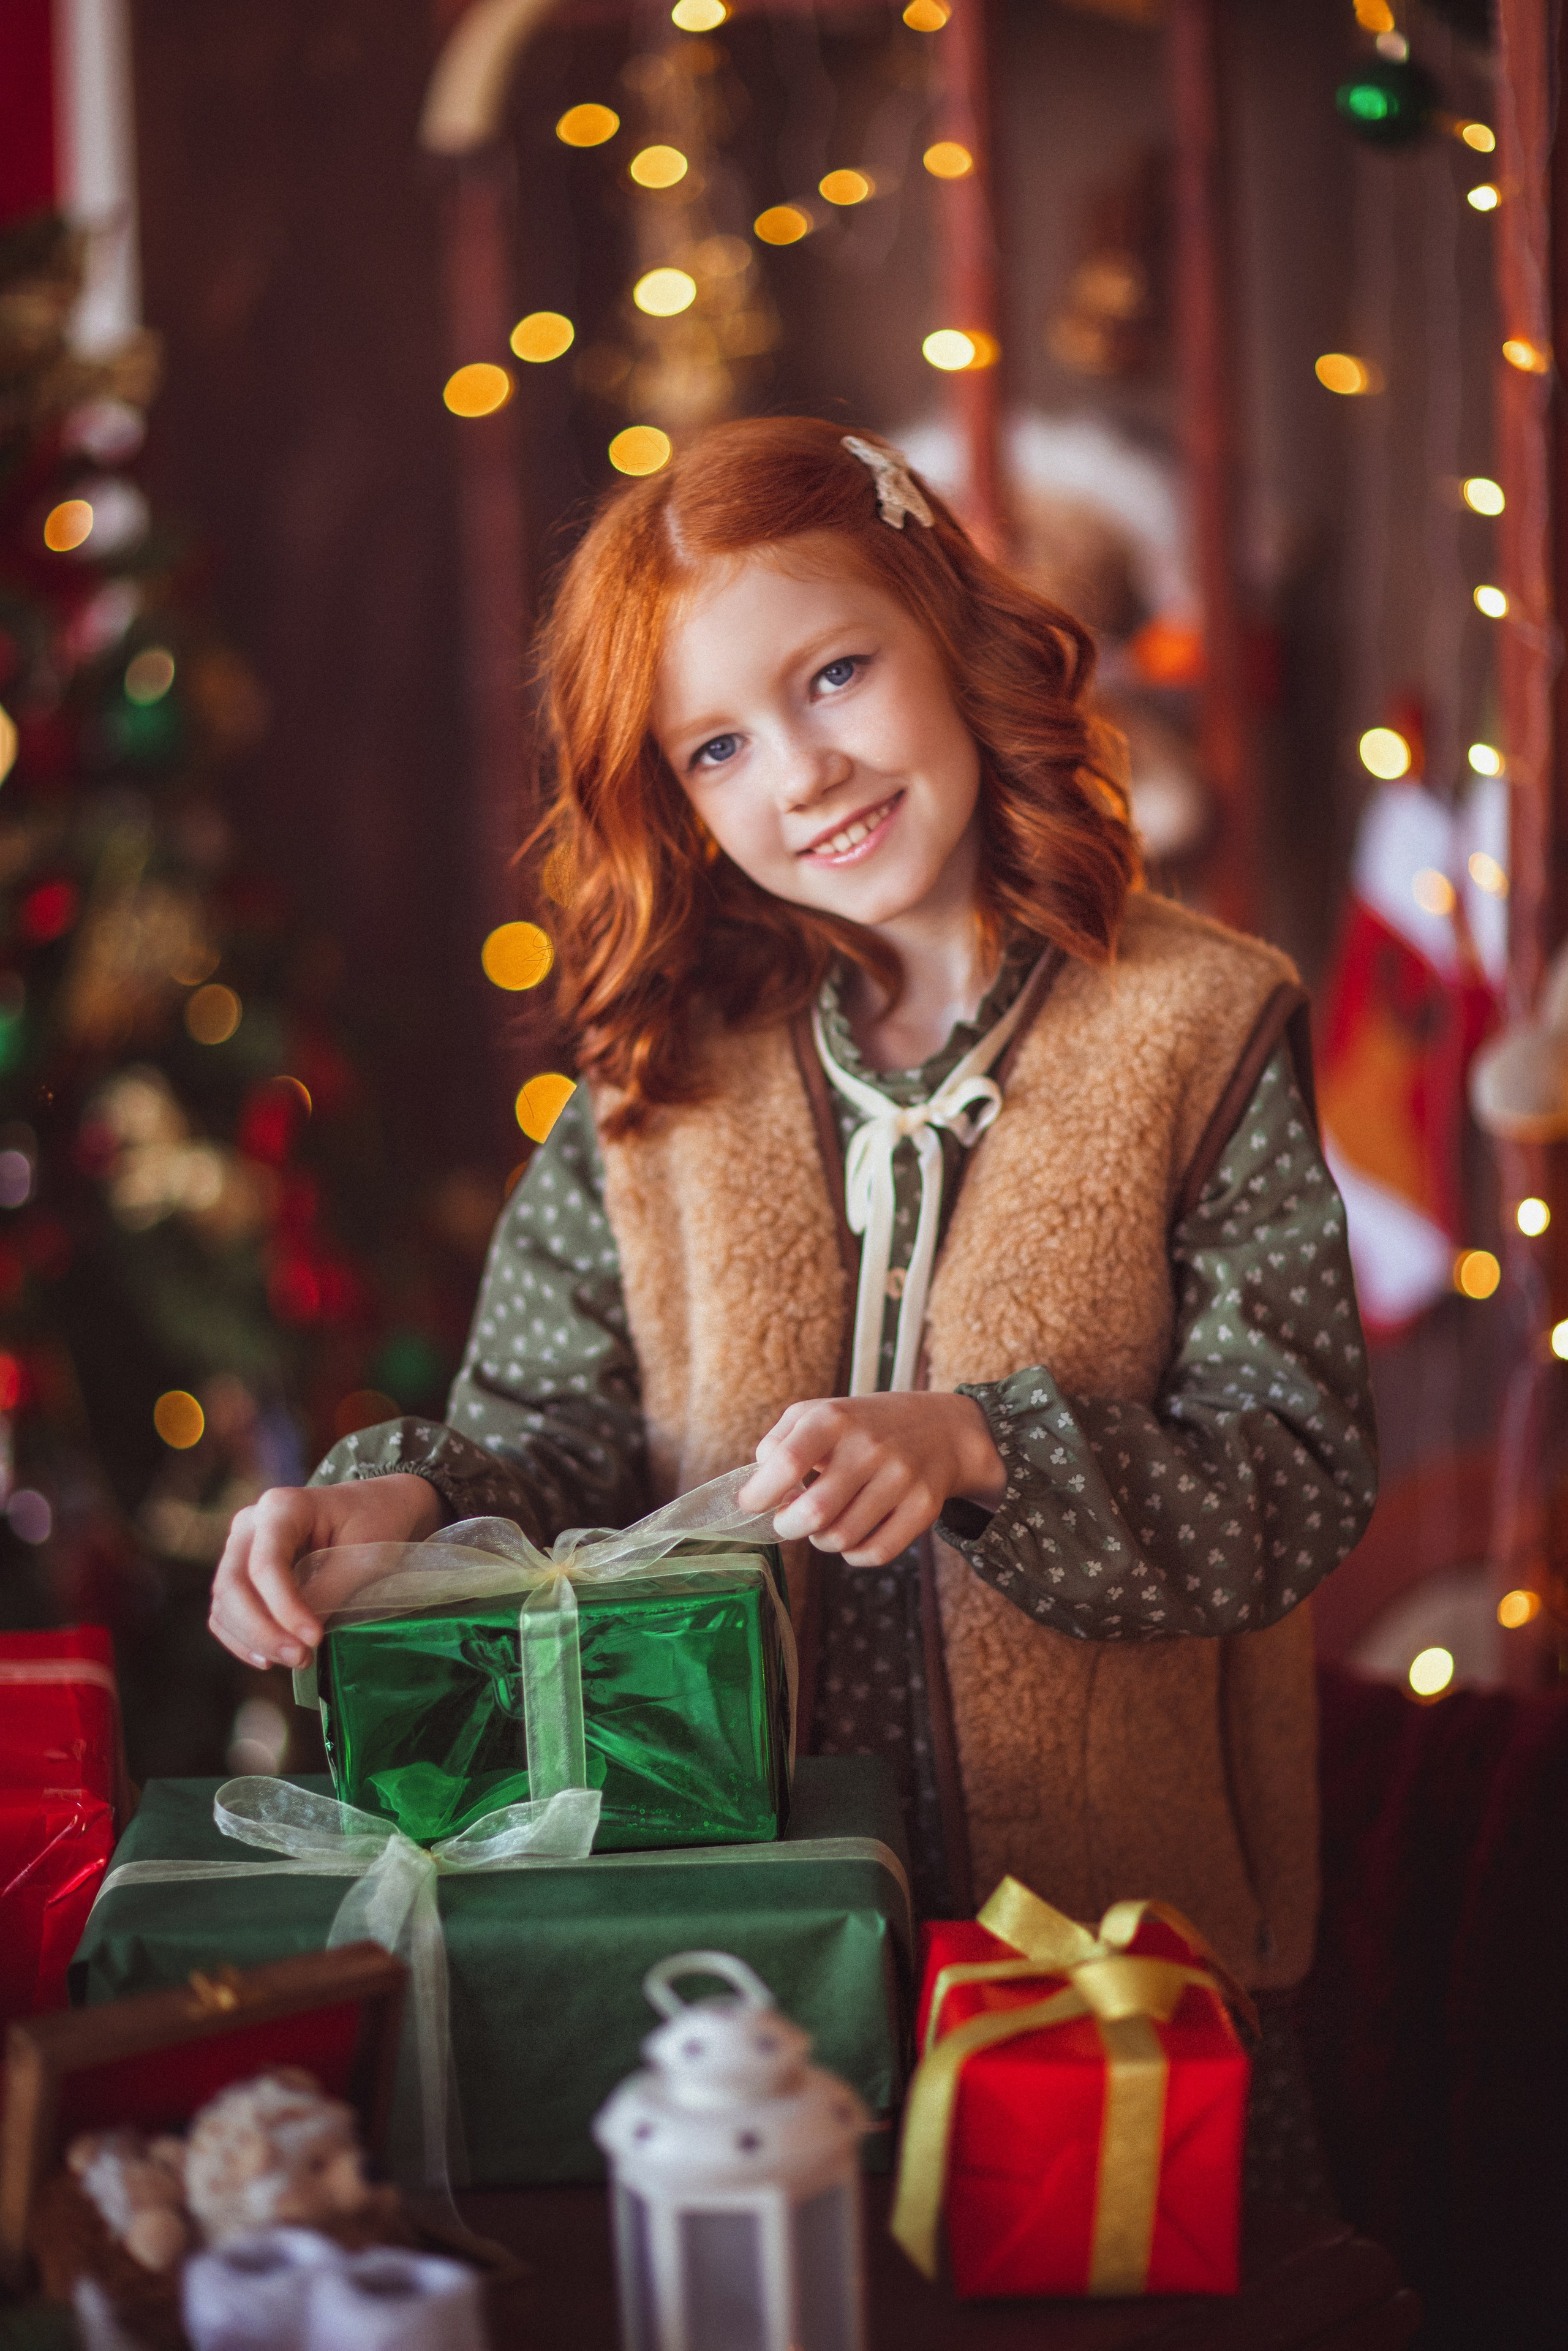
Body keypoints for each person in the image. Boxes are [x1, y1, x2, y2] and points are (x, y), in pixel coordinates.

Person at [210, 415, 1375, 2199]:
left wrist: (984, 1440)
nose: (805, 774)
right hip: (726, 1963)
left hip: (1105, 1960)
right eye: (720, 745)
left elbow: (1295, 1472)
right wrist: (404, 1504)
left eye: (837, 672)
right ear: (672, 798)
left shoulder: (1198, 1036)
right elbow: (554, 1438)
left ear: (949, 632)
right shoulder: (658, 1089)